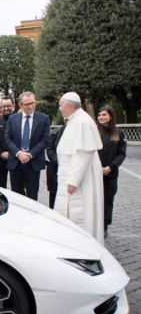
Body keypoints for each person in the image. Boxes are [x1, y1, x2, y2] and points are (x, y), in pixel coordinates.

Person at [55, 92, 104, 244]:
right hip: (72, 177)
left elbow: (83, 154)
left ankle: (82, 244)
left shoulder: (83, 122)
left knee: (80, 212)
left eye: (61, 105)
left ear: (69, 106)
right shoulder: (74, 120)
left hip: (81, 181)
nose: (60, 108)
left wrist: (73, 181)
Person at [5, 91, 50, 200]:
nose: (31, 106)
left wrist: (29, 155)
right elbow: (7, 139)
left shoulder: (43, 118)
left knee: (32, 194)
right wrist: (19, 153)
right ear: (20, 105)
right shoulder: (13, 118)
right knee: (16, 195)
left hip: (33, 162)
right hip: (16, 162)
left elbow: (45, 140)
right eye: (27, 104)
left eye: (32, 103)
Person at [96, 105, 127, 238]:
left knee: (108, 201)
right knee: (95, 200)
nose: (101, 117)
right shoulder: (95, 132)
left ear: (111, 116)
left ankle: (104, 226)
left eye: (104, 115)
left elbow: (121, 154)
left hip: (111, 174)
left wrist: (110, 167)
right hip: (96, 172)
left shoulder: (119, 134)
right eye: (99, 115)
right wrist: (98, 167)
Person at [45, 124, 66, 209]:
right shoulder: (55, 133)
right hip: (54, 168)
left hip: (69, 169)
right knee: (53, 193)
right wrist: (58, 162)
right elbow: (50, 149)